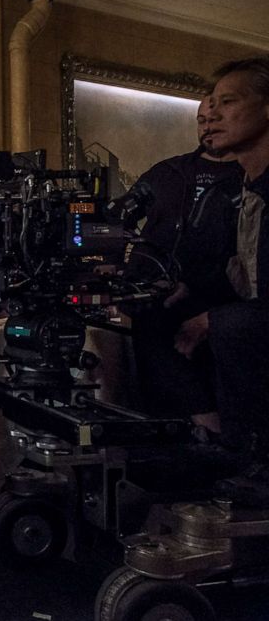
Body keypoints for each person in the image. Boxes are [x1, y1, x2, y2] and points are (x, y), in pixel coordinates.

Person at [169, 57, 269, 505]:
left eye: (229, 102)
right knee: (164, 315)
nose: (213, 115)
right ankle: (222, 441)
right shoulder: (241, 191)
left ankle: (256, 457)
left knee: (232, 325)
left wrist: (214, 318)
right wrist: (187, 291)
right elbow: (241, 270)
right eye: (210, 107)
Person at [125, 99, 244, 426]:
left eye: (216, 118)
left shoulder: (251, 178)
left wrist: (196, 287)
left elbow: (248, 258)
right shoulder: (167, 172)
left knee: (219, 409)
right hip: (152, 309)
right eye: (202, 119)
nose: (207, 125)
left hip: (220, 310)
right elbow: (118, 216)